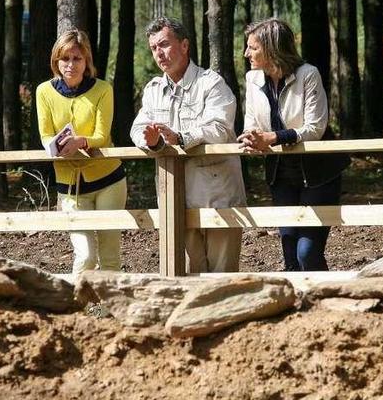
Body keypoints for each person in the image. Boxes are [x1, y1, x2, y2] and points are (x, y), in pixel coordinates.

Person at [130, 17, 246, 273]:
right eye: (153, 48)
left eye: (164, 44)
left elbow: (220, 128)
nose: (159, 53)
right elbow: (138, 129)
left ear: (184, 46)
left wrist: (181, 137)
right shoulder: (153, 89)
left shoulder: (211, 83)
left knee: (221, 277)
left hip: (218, 195)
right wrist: (152, 142)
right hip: (174, 198)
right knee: (181, 275)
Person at [238, 18, 350, 271]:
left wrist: (274, 138)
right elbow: (251, 123)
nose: (246, 53)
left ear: (272, 48)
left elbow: (315, 128)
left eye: (252, 47)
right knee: (290, 254)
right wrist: (250, 138)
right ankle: (296, 308)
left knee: (307, 254)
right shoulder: (252, 79)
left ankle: (323, 301)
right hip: (281, 175)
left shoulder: (308, 74)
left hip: (319, 173)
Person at [36, 29, 127, 274]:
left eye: (77, 58)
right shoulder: (43, 91)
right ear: (56, 61)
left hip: (109, 180)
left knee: (109, 255)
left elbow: (101, 135)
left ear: (86, 61)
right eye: (65, 59)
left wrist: (80, 142)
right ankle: (78, 309)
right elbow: (45, 135)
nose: (71, 65)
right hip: (69, 186)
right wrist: (54, 145)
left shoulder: (103, 89)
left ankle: (110, 310)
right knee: (85, 255)